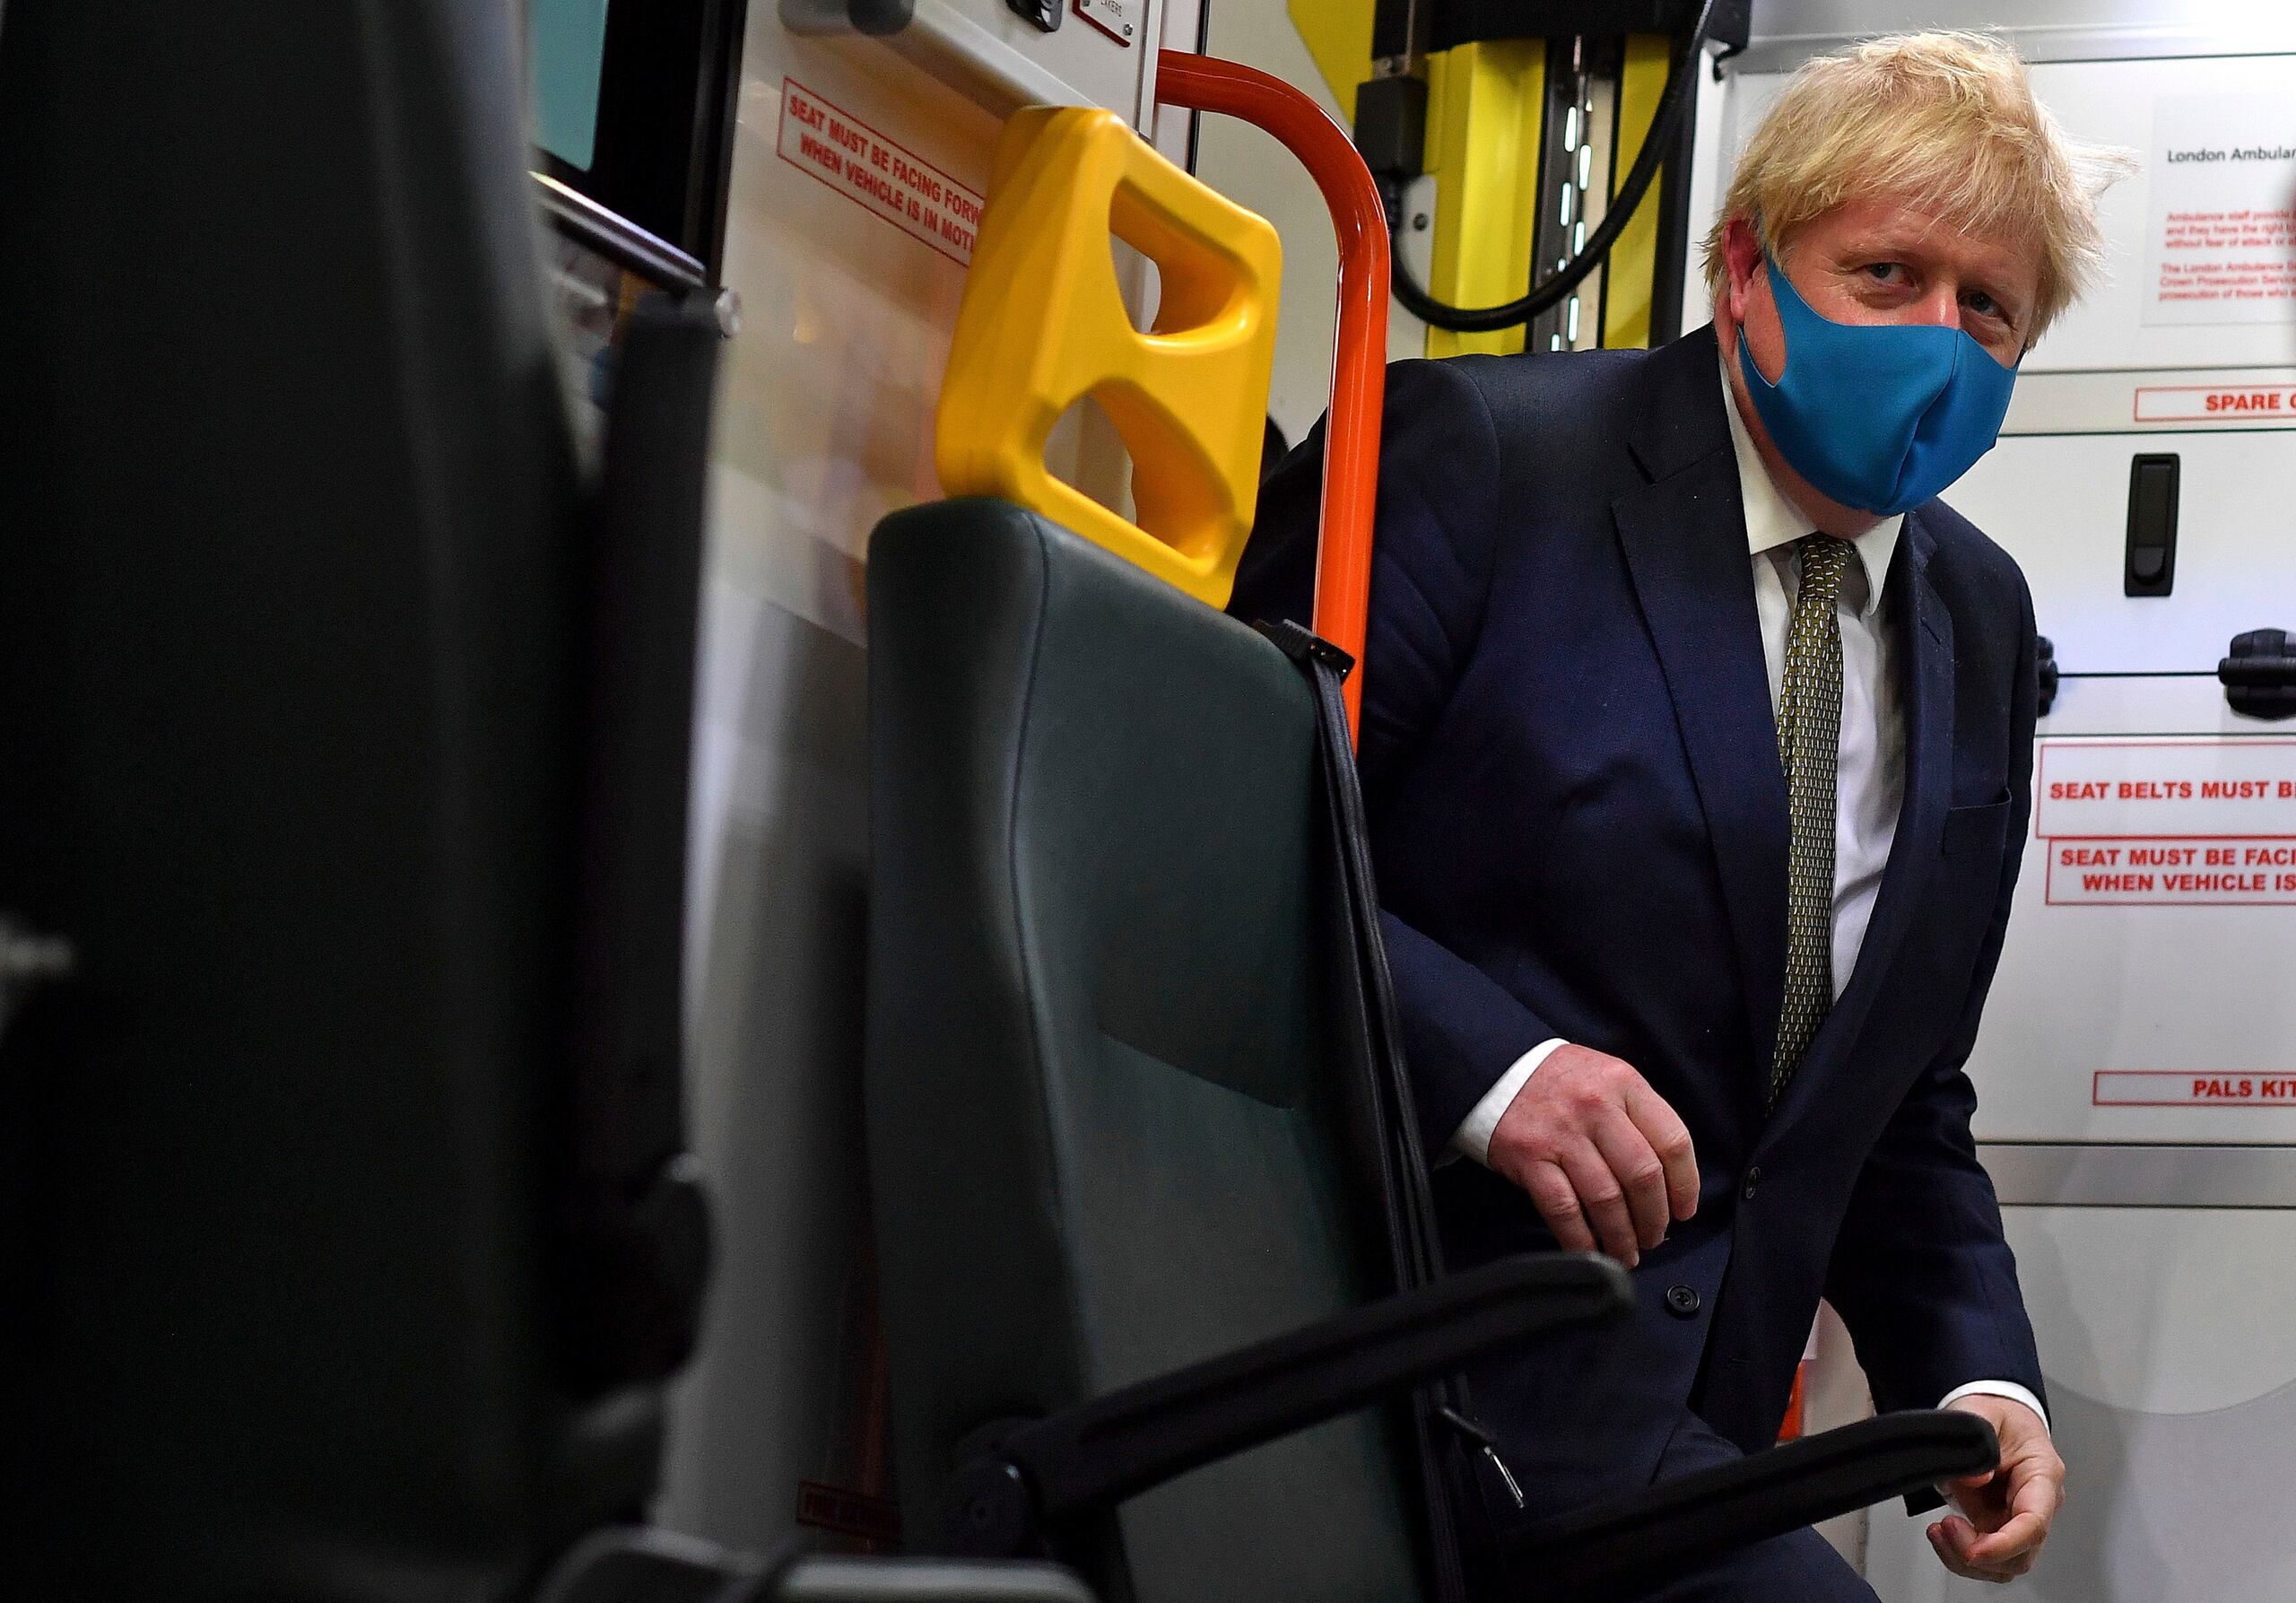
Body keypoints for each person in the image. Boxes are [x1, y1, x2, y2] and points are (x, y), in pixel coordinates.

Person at [1234, 31, 2130, 1600]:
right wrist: (1492, 1069)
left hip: (1695, 1436)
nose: (1940, 338)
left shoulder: (1979, 619)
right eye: (1887, 275)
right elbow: (1222, 837)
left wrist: (1980, 1380)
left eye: (1987, 307)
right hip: (1414, 1362)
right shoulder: (1478, 462)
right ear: (1745, 269)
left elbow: (1897, 1099)